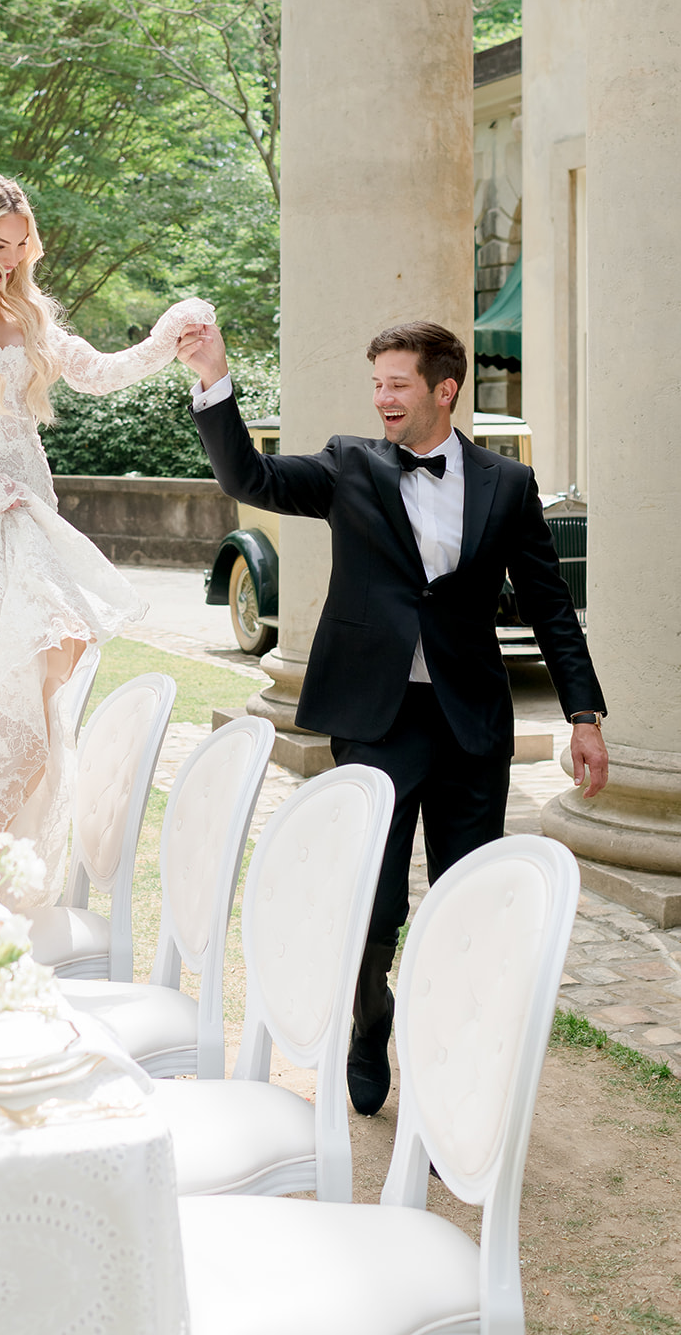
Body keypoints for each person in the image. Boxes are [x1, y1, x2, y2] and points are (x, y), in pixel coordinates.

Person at [179, 318, 607, 1114]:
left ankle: (450, 1069)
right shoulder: (350, 465)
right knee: (376, 901)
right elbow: (250, 479)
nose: (381, 397)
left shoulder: (506, 486)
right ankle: (369, 1022)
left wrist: (581, 712)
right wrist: (212, 379)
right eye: (376, 383)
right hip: (376, 719)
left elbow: (550, 608)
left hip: (469, 721)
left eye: (397, 384)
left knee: (468, 901)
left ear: (443, 390)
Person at [0, 168, 213, 906]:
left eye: (23, 246)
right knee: (5, 679)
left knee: (59, 653)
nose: (13, 259)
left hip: (30, 506)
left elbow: (97, 374)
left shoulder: (25, 311)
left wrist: (164, 336)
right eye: (0, 244)